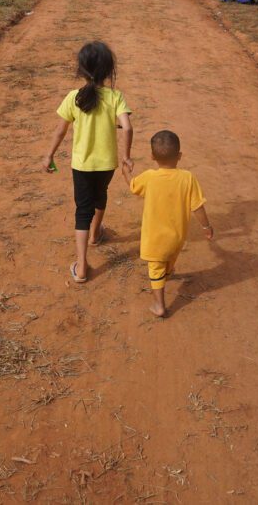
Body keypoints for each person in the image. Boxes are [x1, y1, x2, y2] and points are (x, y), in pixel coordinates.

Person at [42, 41, 133, 283]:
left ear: (81, 70)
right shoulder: (115, 97)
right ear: (109, 70)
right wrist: (126, 157)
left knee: (82, 209)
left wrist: (49, 155)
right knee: (100, 194)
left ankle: (82, 267)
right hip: (106, 164)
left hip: (81, 165)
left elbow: (60, 132)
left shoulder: (73, 97)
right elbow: (127, 126)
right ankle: (95, 234)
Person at [129, 130, 212, 318]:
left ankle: (160, 305)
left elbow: (133, 186)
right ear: (179, 156)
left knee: (156, 269)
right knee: (169, 260)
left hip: (154, 239)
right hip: (177, 238)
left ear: (152, 156)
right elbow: (198, 206)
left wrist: (126, 172)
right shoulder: (188, 178)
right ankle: (168, 273)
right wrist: (207, 227)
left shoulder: (149, 177)